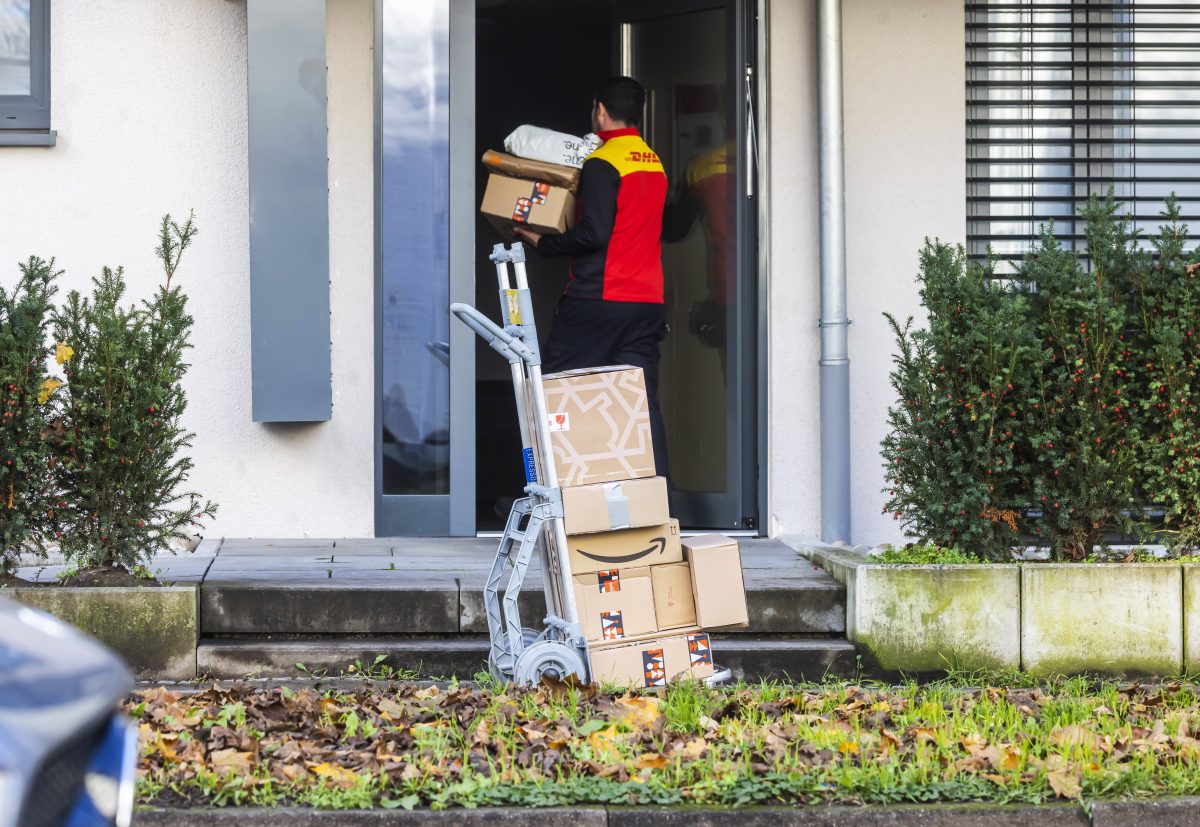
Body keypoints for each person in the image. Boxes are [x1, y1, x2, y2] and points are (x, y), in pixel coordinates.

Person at [513, 76, 671, 479]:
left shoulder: (603, 162)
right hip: (647, 304)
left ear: (600, 110)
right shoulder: (653, 161)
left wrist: (542, 242)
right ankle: (658, 500)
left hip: (599, 299)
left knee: (553, 391)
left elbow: (594, 233)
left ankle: (551, 494)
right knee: (641, 405)